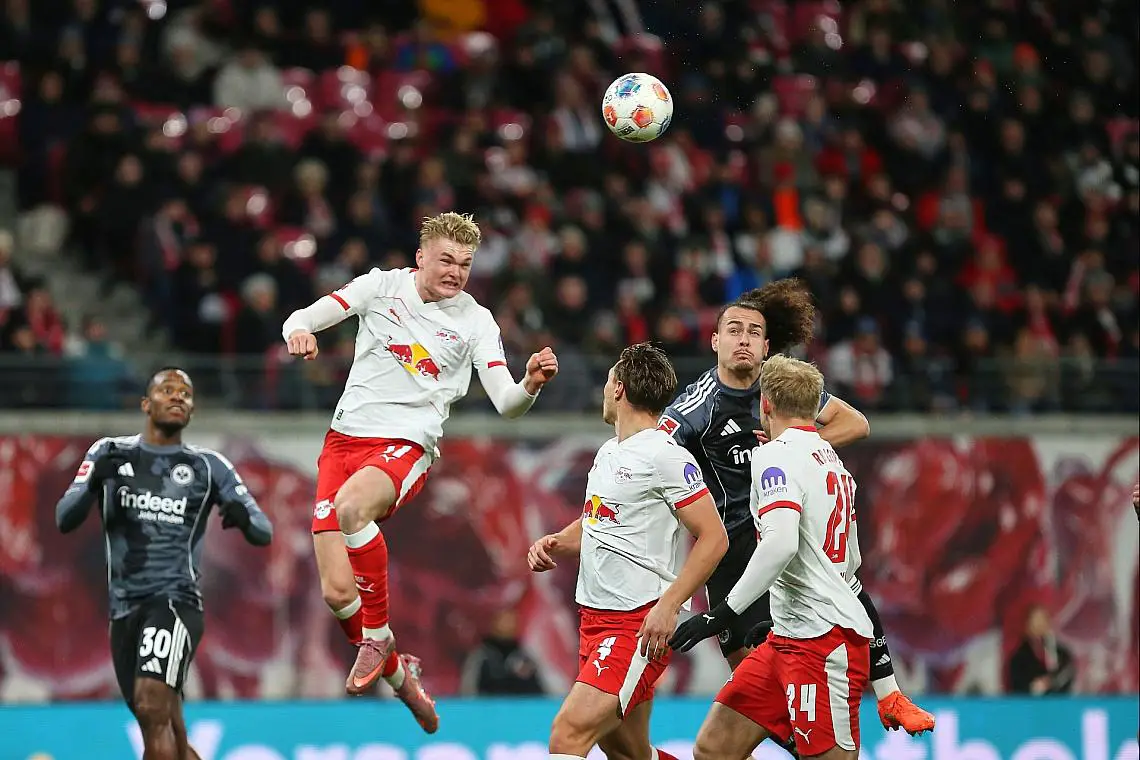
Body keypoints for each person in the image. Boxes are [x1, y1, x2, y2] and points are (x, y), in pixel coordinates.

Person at [281, 212, 559, 729]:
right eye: (447, 260)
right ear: (421, 258)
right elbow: (301, 317)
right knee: (338, 595)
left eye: (466, 264)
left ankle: (380, 637)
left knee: (351, 510)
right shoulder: (379, 287)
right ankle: (398, 674)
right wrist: (300, 333)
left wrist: (531, 383)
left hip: (404, 445)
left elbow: (506, 402)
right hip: (341, 442)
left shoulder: (477, 322)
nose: (456, 272)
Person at [658, 279, 933, 736]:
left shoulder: (782, 391)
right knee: (760, 700)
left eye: (753, 332)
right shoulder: (692, 412)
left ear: (767, 347)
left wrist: (797, 444)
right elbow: (652, 461)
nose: (743, 339)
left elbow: (856, 422)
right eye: (733, 330)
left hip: (789, 540)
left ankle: (888, 694)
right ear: (714, 340)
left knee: (844, 580)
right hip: (733, 555)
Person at [55, 368, 273, 760]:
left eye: (185, 394)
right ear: (146, 404)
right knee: (164, 724)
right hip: (123, 611)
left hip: (175, 603)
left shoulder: (209, 467)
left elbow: (263, 529)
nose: (177, 398)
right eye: (167, 391)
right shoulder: (109, 452)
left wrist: (243, 515)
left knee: (152, 704)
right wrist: (90, 487)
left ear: (191, 410)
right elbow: (64, 518)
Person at [527, 343, 728, 760]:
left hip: (636, 625)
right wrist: (559, 542)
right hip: (594, 621)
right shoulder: (608, 452)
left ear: (617, 388)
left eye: (606, 382)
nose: (603, 390)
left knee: (567, 735)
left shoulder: (666, 456)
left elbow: (714, 537)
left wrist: (669, 607)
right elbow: (601, 519)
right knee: (629, 753)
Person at [669, 354, 873, 760]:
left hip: (822, 643)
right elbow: (851, 561)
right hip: (787, 637)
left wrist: (721, 614)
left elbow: (780, 545)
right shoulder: (831, 459)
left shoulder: (772, 456)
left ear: (764, 403)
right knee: (714, 748)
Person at [1007, 605, 1075, 695]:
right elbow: (1017, 685)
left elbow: (1067, 674)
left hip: (1057, 704)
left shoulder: (1061, 654)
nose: (1038, 626)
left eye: (1041, 621)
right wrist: (1033, 687)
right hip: (1030, 704)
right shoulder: (1019, 657)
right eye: (1034, 622)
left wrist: (1050, 682)